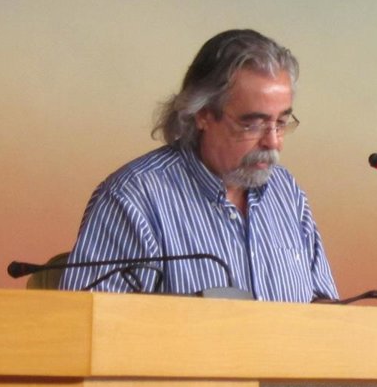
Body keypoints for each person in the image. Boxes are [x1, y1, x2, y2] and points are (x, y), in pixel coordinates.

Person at [61, 29, 338, 302]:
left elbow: (326, 310)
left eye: (281, 123)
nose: (273, 142)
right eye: (253, 124)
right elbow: (83, 321)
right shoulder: (133, 198)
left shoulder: (286, 191)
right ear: (203, 114)